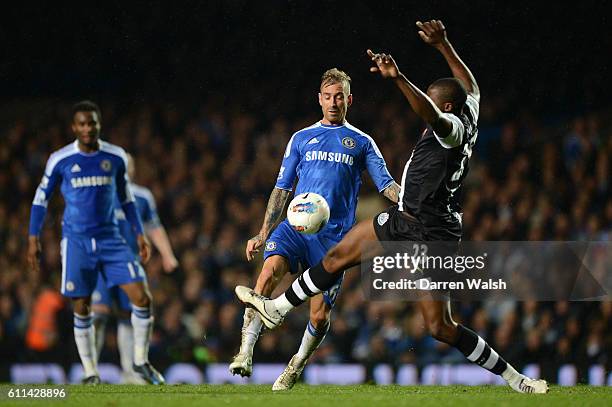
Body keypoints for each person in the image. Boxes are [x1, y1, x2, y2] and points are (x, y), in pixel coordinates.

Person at [236, 20, 548, 394]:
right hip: (407, 218)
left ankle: (516, 379)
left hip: (431, 232)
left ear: (445, 106)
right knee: (336, 257)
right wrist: (444, 44)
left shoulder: (451, 129)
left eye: (433, 100)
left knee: (439, 327)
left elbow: (431, 115)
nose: (427, 107)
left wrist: (399, 78)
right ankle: (278, 309)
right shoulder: (471, 108)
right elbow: (470, 84)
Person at [230, 68, 400, 391]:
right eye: (328, 96)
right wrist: (263, 231)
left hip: (334, 241)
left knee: (319, 317)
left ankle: (296, 364)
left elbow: (386, 184)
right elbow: (281, 189)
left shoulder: (362, 143)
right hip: (295, 228)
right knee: (267, 275)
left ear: (349, 100)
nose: (333, 102)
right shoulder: (301, 139)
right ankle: (245, 352)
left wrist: (409, 200)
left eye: (339, 97)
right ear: (319, 100)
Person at [27, 100, 165, 385]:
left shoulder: (114, 157)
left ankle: (140, 362)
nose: (88, 128)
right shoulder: (60, 159)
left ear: (99, 124)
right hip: (77, 242)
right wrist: (33, 238)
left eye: (92, 123)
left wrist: (139, 233)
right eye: (82, 123)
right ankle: (90, 372)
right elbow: (41, 199)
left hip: (111, 240)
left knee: (142, 298)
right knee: (82, 306)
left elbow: (127, 199)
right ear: (74, 127)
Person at [92, 153, 178, 384]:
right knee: (97, 314)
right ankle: (90, 371)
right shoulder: (99, 193)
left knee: (128, 316)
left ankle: (130, 372)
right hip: (101, 264)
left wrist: (167, 255)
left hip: (129, 265)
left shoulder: (142, 196)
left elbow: (154, 227)